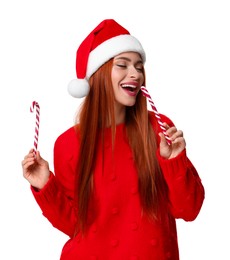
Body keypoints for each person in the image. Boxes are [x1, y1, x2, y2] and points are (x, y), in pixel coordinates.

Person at [22, 19, 205, 260]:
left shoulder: (158, 129)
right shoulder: (67, 144)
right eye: (123, 65)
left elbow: (189, 210)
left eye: (139, 67)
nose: (135, 73)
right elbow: (75, 226)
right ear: (98, 74)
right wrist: (45, 185)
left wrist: (174, 161)